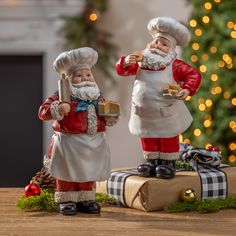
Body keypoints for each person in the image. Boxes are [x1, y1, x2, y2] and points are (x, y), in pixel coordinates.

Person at [116, 17, 201, 179]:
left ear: (171, 50)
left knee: (167, 136)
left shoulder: (174, 65)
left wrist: (187, 89)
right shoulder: (141, 62)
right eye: (156, 42)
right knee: (148, 136)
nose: (157, 46)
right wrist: (125, 62)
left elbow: (193, 74)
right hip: (144, 113)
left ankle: (167, 164)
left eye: (164, 44)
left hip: (166, 112)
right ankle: (151, 162)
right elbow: (123, 71)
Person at [39, 47, 118, 215]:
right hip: (70, 142)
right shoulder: (61, 95)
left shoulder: (97, 96)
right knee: (67, 171)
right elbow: (43, 111)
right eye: (79, 76)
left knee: (88, 170)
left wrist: (109, 117)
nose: (85, 79)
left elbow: (106, 114)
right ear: (70, 78)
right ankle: (66, 199)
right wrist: (59, 108)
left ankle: (86, 198)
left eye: (88, 75)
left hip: (93, 142)